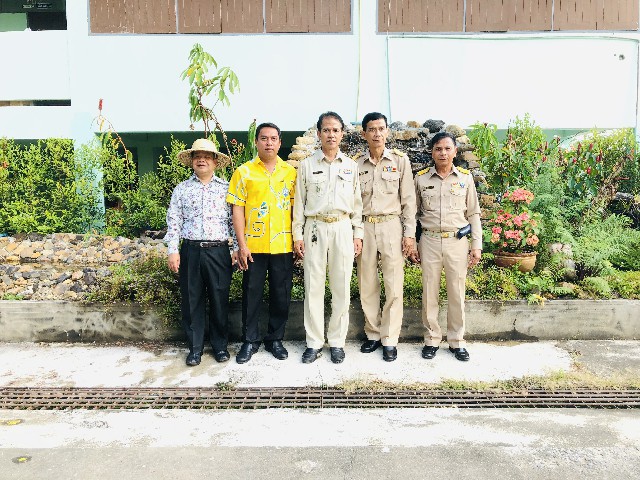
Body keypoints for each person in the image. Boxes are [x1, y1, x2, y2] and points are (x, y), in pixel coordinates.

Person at [292, 111, 363, 364]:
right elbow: (299, 203)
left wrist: (358, 234)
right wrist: (297, 235)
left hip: (342, 227)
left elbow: (357, 204)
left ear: (342, 134)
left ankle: (337, 341)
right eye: (326, 130)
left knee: (341, 286)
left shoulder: (351, 166)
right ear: (319, 133)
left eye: (335, 130)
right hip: (315, 228)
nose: (331, 135)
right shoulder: (307, 165)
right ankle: (313, 342)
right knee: (313, 286)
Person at [226, 122, 297, 364]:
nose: (269, 143)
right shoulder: (243, 172)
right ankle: (250, 340)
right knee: (251, 293)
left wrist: (297, 239)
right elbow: (237, 209)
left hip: (283, 244)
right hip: (253, 247)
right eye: (264, 138)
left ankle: (275, 339)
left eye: (273, 138)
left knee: (281, 294)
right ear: (256, 142)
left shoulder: (290, 173)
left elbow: (296, 209)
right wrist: (241, 245)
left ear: (280, 143)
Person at [165, 138, 238, 366]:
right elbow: (174, 221)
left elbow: (234, 222)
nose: (202, 160)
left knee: (219, 300)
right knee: (192, 300)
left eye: (207, 156)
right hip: (191, 251)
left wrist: (236, 249)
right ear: (192, 162)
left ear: (215, 162)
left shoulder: (227, 189)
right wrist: (173, 250)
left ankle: (220, 346)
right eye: (197, 156)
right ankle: (195, 348)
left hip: (218, 252)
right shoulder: (182, 189)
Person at [410, 132, 482, 362]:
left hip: (456, 242)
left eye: (447, 148)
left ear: (455, 152)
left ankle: (457, 341)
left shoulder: (465, 178)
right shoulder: (421, 179)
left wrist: (476, 245)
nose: (443, 153)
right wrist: (412, 242)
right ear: (432, 152)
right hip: (429, 241)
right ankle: (431, 339)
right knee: (429, 293)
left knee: (456, 293)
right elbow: (412, 214)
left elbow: (474, 213)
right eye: (438, 149)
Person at [354, 112, 416, 362]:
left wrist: (409, 234)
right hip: (365, 226)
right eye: (372, 129)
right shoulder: (356, 164)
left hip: (391, 225)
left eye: (381, 129)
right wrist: (355, 233)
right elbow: (353, 202)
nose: (377, 134)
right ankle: (373, 333)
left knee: (393, 284)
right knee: (367, 283)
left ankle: (390, 338)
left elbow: (409, 200)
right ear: (364, 134)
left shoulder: (400, 160)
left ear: (387, 132)